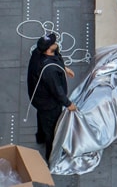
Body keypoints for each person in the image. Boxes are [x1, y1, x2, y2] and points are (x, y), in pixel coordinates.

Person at [26, 32, 76, 162]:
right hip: (49, 104)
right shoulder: (49, 71)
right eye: (54, 43)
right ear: (48, 50)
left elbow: (56, 60)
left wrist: (64, 68)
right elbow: (57, 91)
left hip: (39, 100)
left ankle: (40, 137)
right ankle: (52, 157)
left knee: (41, 117)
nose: (56, 43)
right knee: (52, 129)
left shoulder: (38, 53)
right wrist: (68, 104)